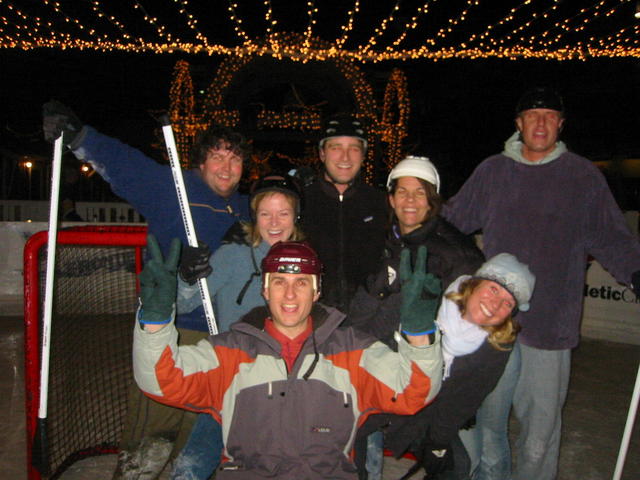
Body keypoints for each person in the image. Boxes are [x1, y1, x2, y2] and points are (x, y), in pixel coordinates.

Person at [42, 100, 251, 479]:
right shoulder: (175, 189)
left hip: (223, 338)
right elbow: (126, 165)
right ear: (201, 163)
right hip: (174, 330)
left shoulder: (245, 209)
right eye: (217, 157)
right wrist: (80, 137)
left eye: (235, 159)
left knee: (198, 441)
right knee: (155, 435)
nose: (226, 166)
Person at [442, 86, 640, 480]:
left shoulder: (582, 176)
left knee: (538, 438)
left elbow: (612, 238)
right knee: (486, 427)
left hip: (550, 327)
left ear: (561, 125)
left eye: (550, 116)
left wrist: (636, 273)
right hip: (494, 325)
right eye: (533, 115)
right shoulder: (493, 171)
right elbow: (452, 224)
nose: (541, 123)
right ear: (518, 123)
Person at [133, 238, 444, 479]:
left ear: (317, 291)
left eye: (302, 283)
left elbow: (413, 392)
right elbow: (160, 381)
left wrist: (419, 331)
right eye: (279, 282)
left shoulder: (353, 351)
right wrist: (156, 319)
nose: (290, 294)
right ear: (265, 291)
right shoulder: (229, 352)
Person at [346, 156, 484, 479]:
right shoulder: (381, 241)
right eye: (403, 192)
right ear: (391, 199)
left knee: (452, 463)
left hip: (428, 375)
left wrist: (454, 397)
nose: (410, 200)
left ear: (433, 200)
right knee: (353, 448)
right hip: (378, 368)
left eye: (420, 192)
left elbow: (472, 333)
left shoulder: (457, 254)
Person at [171, 174, 304, 479]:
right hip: (233, 376)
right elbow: (184, 304)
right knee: (193, 464)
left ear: (296, 217)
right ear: (254, 217)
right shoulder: (233, 255)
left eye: (283, 213)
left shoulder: (303, 260)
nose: (274, 222)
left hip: (286, 381)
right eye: (265, 213)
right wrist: (187, 277)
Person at [358, 253, 535, 480]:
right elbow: (365, 339)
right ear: (475, 283)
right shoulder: (428, 295)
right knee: (357, 464)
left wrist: (437, 442)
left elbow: (464, 400)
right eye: (493, 289)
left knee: (457, 466)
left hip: (421, 410)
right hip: (371, 396)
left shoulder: (495, 344)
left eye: (508, 303)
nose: (496, 304)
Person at [301, 113, 388, 312]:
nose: (345, 157)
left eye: (354, 149)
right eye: (336, 147)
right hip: (311, 315)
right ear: (322, 153)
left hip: (368, 316)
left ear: (363, 156)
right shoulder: (301, 202)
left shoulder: (380, 204)